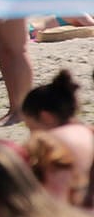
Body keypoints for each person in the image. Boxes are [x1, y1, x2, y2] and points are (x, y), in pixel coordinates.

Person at [22, 70, 94, 207]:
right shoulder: (90, 133)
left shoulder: (51, 143)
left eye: (31, 128)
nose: (31, 135)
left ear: (45, 117)